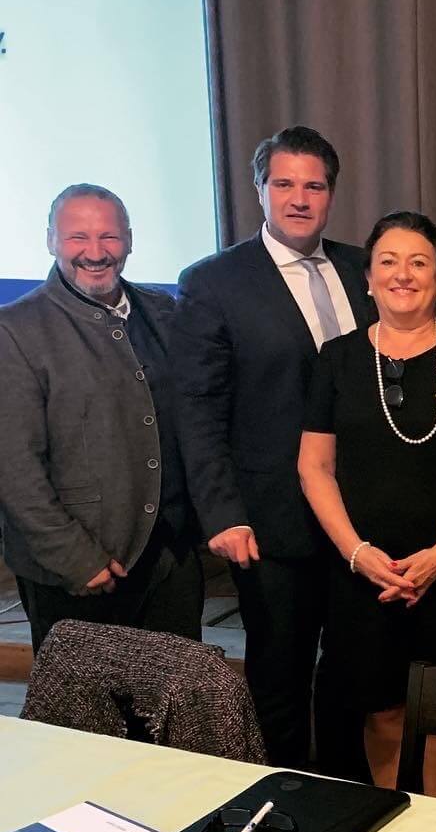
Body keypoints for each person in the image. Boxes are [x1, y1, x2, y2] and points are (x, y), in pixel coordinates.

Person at [171, 126, 373, 771]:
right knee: (280, 676)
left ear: (332, 193)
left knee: (354, 673)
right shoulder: (213, 282)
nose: (298, 199)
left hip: (360, 518)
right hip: (270, 522)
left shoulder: (363, 268)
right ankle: (282, 798)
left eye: (314, 185)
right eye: (283, 184)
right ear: (259, 189)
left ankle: (347, 793)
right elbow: (197, 410)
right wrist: (223, 514)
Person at [298, 211, 436, 797]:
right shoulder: (337, 359)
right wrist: (357, 553)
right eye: (388, 262)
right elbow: (314, 467)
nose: (403, 274)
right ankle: (396, 824)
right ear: (368, 279)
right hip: (365, 573)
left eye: (419, 263)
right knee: (382, 708)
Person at [0, 185, 201, 652]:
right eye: (78, 237)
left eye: (108, 236)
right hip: (82, 571)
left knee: (178, 696)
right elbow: (13, 468)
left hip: (171, 559)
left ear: (129, 240)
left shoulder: (164, 311)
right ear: (51, 240)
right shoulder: (14, 330)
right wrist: (74, 558)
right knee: (88, 701)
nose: (95, 252)